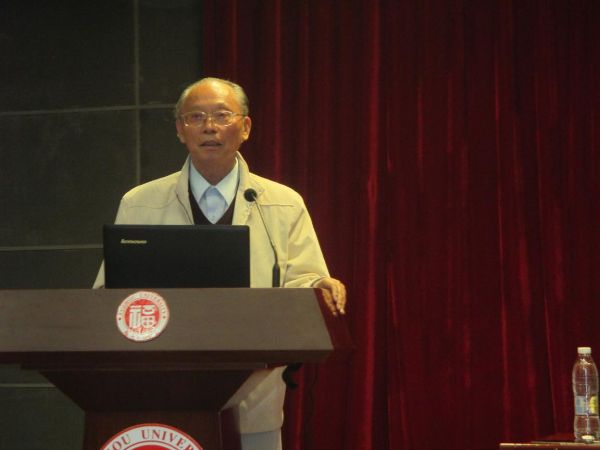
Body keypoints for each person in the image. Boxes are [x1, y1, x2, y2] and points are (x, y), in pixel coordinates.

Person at [93, 77, 346, 450]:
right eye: (195, 117)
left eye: (222, 115)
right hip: (163, 398)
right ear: (180, 130)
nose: (209, 127)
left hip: (255, 398)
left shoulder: (282, 203)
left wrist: (317, 288)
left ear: (245, 127)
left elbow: (302, 282)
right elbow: (108, 295)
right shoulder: (140, 202)